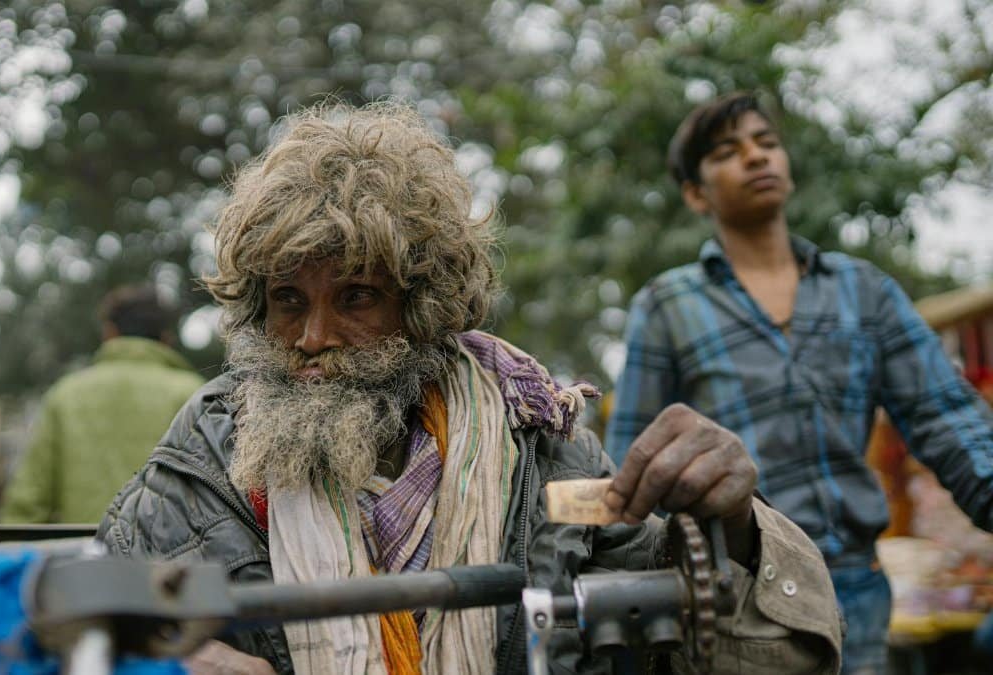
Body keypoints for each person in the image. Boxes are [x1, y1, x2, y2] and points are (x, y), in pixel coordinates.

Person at [98, 103, 842, 675]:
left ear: (421, 308)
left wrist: (741, 529)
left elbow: (726, 651)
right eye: (289, 299)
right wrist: (155, 661)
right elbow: (81, 632)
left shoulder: (549, 463)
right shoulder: (199, 468)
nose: (312, 337)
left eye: (354, 296)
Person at [606, 91, 993, 674]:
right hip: (737, 596)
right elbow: (628, 464)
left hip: (855, 587)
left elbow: (946, 419)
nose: (757, 158)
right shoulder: (667, 305)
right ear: (695, 193)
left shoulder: (865, 291)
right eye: (728, 152)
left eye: (767, 144)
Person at [0, 285, 205, 523]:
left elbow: (26, 504)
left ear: (109, 333)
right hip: (173, 559)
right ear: (167, 339)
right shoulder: (193, 394)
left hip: (85, 556)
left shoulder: (65, 396)